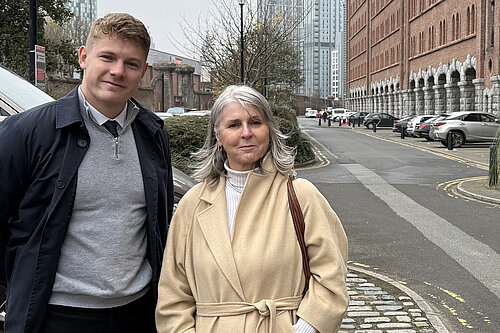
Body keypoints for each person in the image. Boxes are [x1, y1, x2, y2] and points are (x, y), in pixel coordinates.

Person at [0, 13, 174, 332]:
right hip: (54, 317)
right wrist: (22, 283)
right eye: (107, 57)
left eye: (131, 63)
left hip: (137, 314)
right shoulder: (26, 133)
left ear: (144, 72)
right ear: (83, 57)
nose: (118, 71)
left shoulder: (153, 134)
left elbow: (159, 224)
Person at [156, 85, 348, 333]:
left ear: (269, 130)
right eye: (234, 125)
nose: (246, 133)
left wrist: (302, 330)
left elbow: (331, 277)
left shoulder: (301, 196)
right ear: (218, 137)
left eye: (255, 122)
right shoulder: (192, 205)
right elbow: (173, 295)